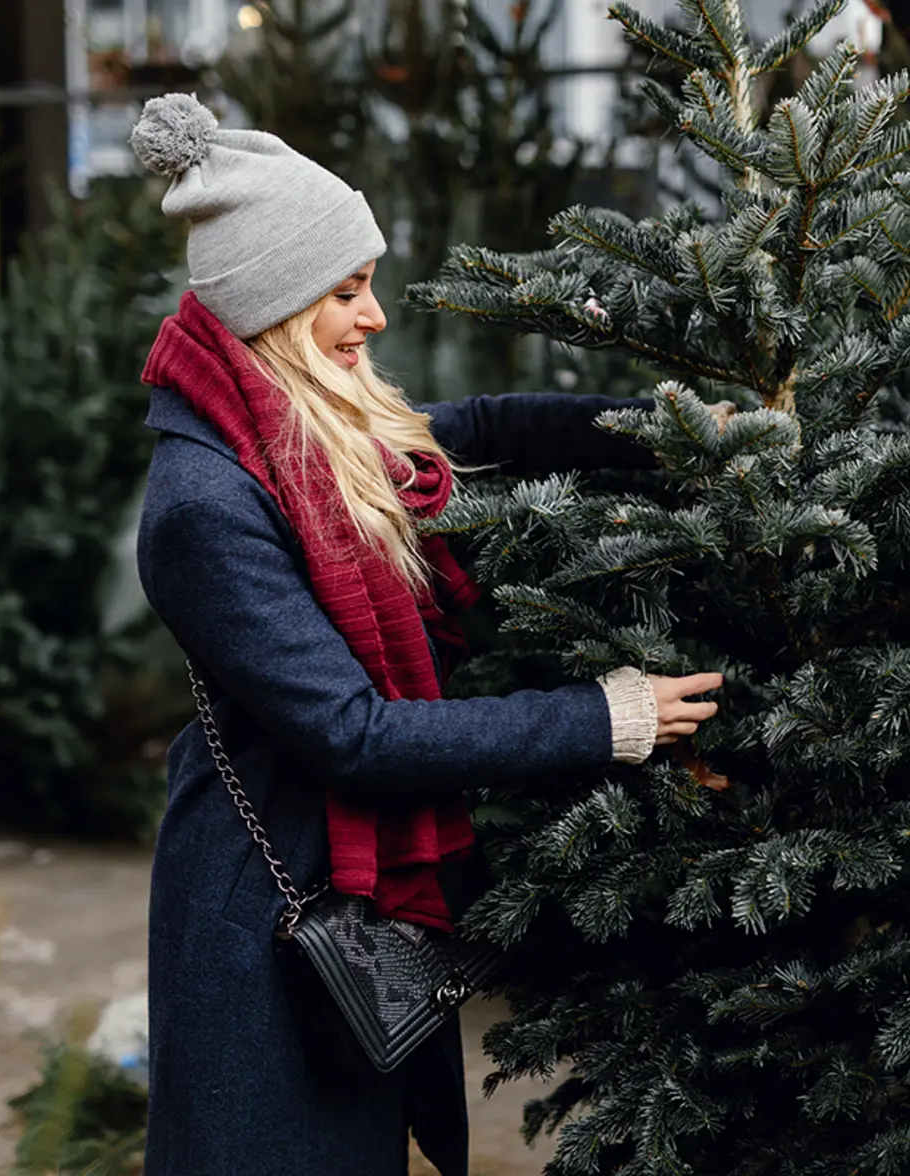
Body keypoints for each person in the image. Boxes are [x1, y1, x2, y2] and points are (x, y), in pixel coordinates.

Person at [128, 93, 726, 1176]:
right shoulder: (203, 506)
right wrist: (604, 717)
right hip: (267, 908)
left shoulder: (316, 430)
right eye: (346, 292)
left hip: (339, 881)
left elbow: (480, 430)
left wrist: (670, 436)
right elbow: (357, 735)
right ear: (274, 301)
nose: (374, 317)